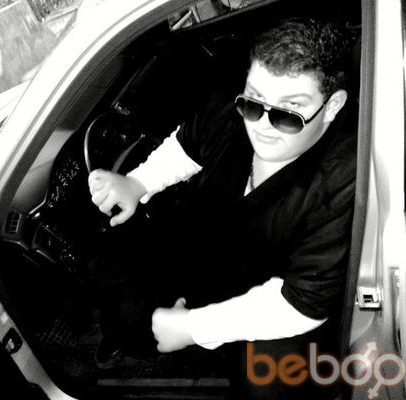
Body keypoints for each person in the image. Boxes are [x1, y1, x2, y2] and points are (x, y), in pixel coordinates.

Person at [87, 17, 356, 398]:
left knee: (271, 382)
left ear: (332, 107)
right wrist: (137, 183)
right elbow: (186, 145)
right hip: (217, 256)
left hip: (279, 295)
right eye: (254, 101)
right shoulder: (232, 108)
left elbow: (303, 303)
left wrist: (194, 329)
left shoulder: (343, 180)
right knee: (121, 301)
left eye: (288, 112)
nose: (262, 125)